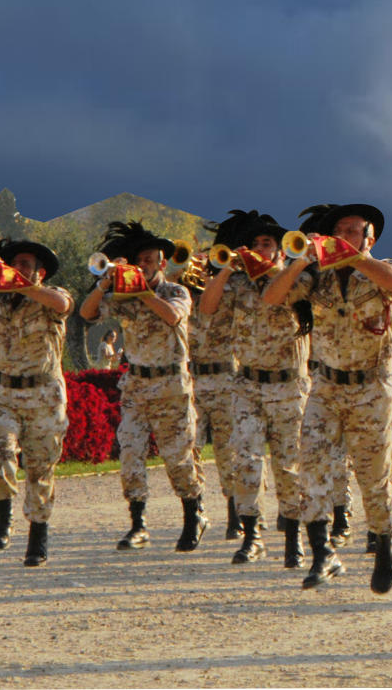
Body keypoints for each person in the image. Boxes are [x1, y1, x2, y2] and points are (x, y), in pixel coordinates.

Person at [262, 203, 392, 594]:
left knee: (373, 475)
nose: (345, 234)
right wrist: (299, 260)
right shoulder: (318, 279)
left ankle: (385, 542)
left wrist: (354, 256)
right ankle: (322, 553)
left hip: (373, 388)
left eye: (354, 230)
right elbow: (272, 297)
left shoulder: (386, 271)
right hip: (326, 387)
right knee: (310, 465)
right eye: (339, 230)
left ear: (370, 238)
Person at [77, 221, 206, 553]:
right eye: (140, 261)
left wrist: (142, 290)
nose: (144, 265)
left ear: (163, 264)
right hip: (135, 386)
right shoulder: (123, 295)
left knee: (178, 460)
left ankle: (194, 516)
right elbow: (87, 312)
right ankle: (138, 525)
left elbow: (173, 317)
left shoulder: (176, 291)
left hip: (172, 388)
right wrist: (104, 282)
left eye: (150, 260)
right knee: (130, 456)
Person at [0, 238, 73, 567]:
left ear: (40, 272)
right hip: (2, 393)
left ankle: (38, 536)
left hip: (44, 396)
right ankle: (3, 520)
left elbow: (63, 305)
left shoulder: (52, 296)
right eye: (14, 263)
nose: (18, 269)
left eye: (25, 265)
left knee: (40, 468)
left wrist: (25, 285)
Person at [198, 210, 302, 568]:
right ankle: (252, 537)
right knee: (245, 463)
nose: (260, 248)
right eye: (255, 243)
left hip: (288, 386)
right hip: (247, 386)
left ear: (280, 250)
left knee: (288, 467)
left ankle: (293, 537)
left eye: (267, 244)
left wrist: (280, 270)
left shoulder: (295, 279)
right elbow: (207, 309)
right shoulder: (238, 285)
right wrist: (227, 266)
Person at [180, 227, 260, 546]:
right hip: (194, 379)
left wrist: (226, 268)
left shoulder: (232, 290)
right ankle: (196, 511)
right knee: (190, 448)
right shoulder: (181, 292)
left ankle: (234, 515)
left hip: (227, 378)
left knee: (229, 450)